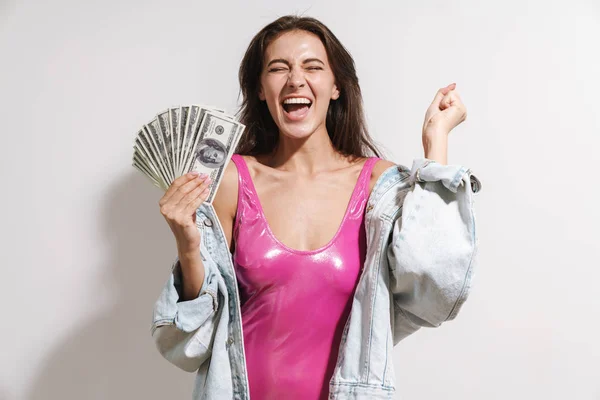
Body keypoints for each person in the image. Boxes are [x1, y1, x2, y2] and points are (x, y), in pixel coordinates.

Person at [151, 15, 481, 400]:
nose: (295, 79)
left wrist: (435, 145)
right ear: (260, 88)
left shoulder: (379, 187)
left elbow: (432, 287)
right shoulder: (231, 182)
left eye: (312, 66)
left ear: (336, 86)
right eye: (278, 68)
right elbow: (192, 341)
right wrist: (188, 246)